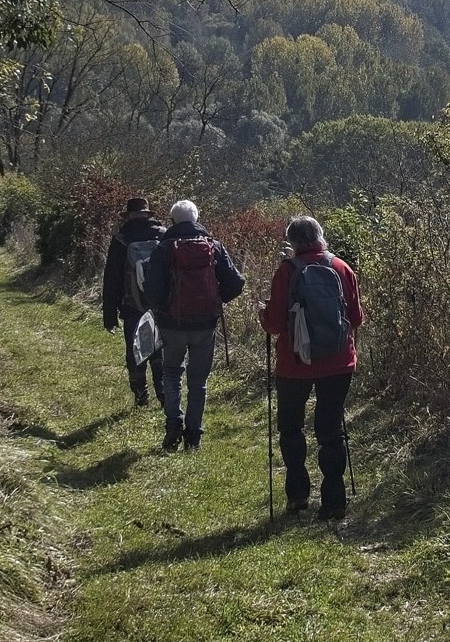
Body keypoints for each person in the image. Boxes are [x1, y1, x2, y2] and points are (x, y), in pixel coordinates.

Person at [259, 213, 364, 521]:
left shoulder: (286, 271)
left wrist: (263, 316)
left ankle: (298, 495)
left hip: (295, 364)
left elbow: (276, 324)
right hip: (339, 362)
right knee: (330, 430)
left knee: (291, 427)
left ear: (291, 241)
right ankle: (334, 502)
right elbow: (356, 319)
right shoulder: (342, 267)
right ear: (320, 236)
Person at [140, 198, 243, 452]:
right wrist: (217, 301)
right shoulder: (213, 246)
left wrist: (162, 305)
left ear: (173, 220)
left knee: (172, 372)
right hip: (205, 324)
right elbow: (237, 283)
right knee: (199, 380)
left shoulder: (164, 248)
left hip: (171, 323)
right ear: (196, 219)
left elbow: (151, 290)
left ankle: (173, 423)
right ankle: (194, 435)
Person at [99, 196, 168, 408]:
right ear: (148, 214)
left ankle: (141, 398)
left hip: (131, 305)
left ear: (129, 215)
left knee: (135, 350)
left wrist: (109, 316)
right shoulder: (163, 235)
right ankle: (164, 395)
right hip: (160, 305)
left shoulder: (121, 240)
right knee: (160, 350)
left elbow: (111, 279)